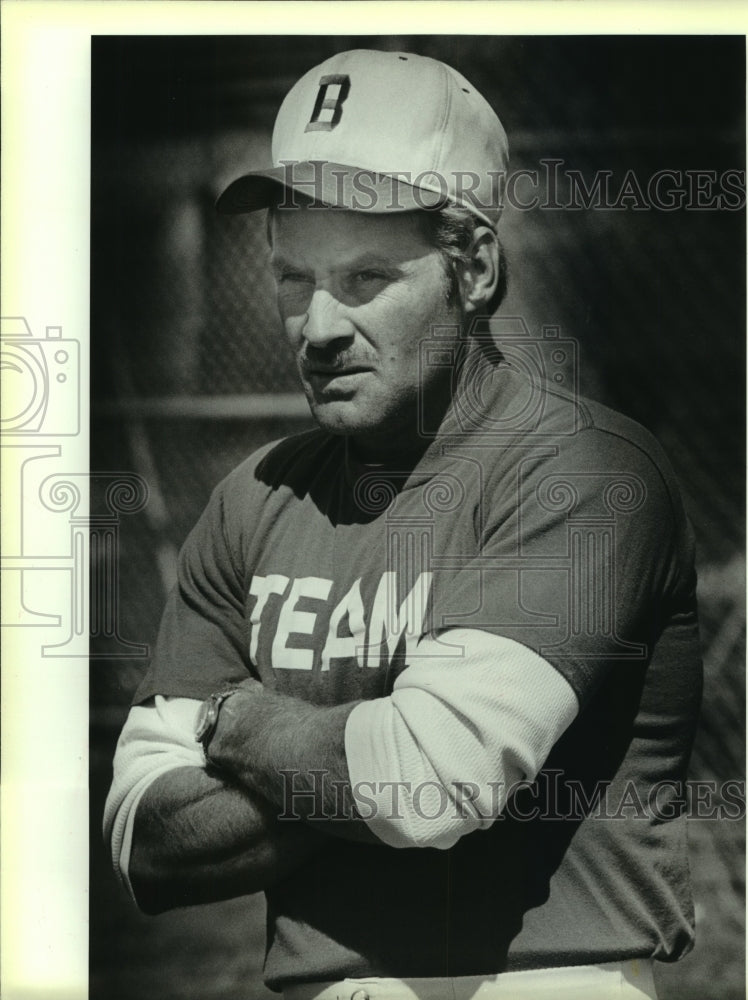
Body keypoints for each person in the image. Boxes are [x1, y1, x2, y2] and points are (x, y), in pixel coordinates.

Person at [103, 49, 702, 1000]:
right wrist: (369, 750)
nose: (317, 328)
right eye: (293, 278)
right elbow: (145, 840)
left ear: (474, 268)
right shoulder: (255, 495)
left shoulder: (582, 471)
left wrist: (234, 719)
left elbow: (429, 783)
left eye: (365, 278)